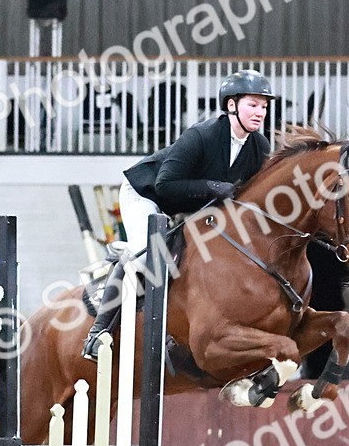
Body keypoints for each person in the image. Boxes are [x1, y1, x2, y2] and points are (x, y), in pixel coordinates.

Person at [82, 69, 276, 360]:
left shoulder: (259, 147)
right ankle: (97, 333)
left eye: (264, 106)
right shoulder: (202, 135)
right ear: (231, 105)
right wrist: (212, 186)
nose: (260, 112)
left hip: (189, 208)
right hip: (147, 195)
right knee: (145, 256)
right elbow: (165, 184)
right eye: (253, 104)